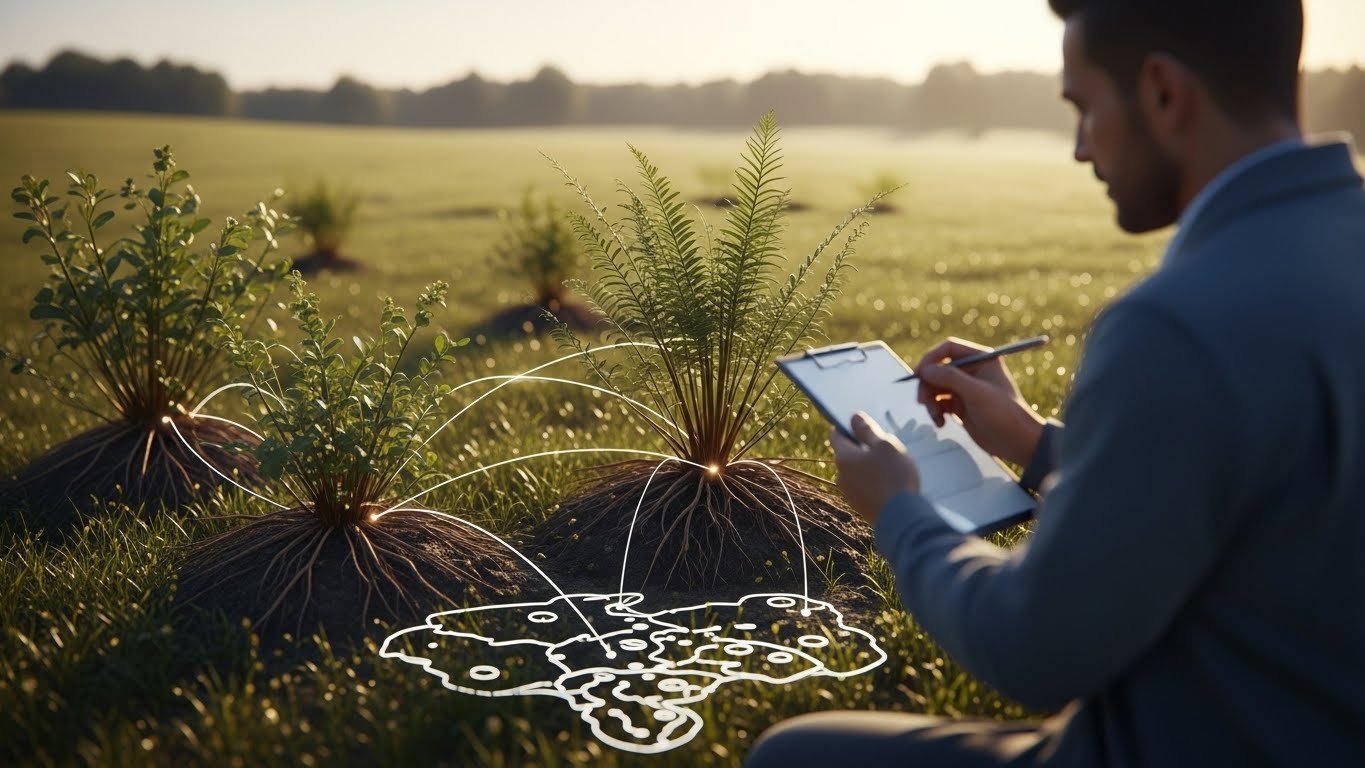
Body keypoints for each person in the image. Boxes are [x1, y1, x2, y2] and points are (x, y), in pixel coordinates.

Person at [746, 0, 1365, 765]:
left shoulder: (1174, 326)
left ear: (1163, 94)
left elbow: (1033, 648)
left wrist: (899, 512)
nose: (1078, 148)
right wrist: (1034, 442)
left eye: (1083, 107)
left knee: (793, 755)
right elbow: (1269, 493)